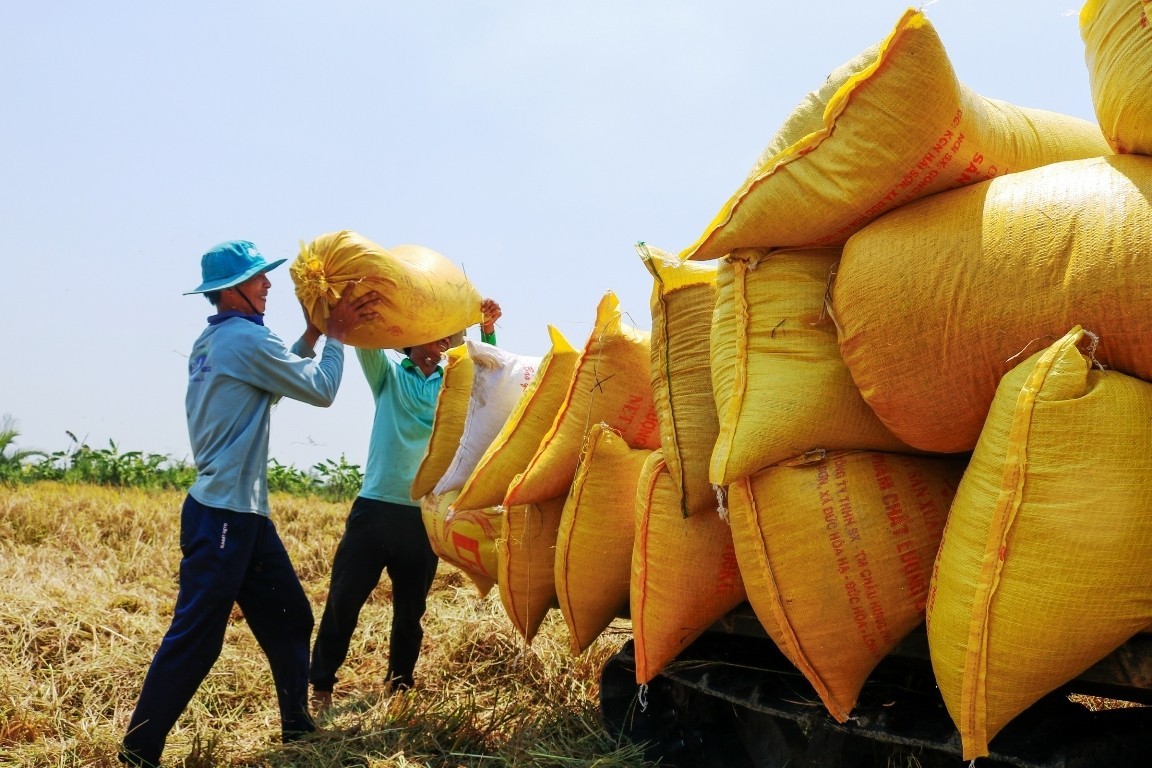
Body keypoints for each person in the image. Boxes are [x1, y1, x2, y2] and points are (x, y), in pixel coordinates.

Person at [119, 240, 383, 768]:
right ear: (229, 291)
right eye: (258, 278)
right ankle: (138, 749)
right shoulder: (243, 339)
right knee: (197, 639)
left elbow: (277, 375)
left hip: (242, 516)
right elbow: (322, 390)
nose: (267, 285)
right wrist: (336, 337)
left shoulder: (219, 339)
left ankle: (295, 725)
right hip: (223, 516)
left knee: (290, 616)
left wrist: (311, 334)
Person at [309, 298, 502, 711]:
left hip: (422, 515)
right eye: (428, 338)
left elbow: (489, 379)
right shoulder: (389, 378)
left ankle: (399, 685)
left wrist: (486, 330)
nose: (438, 344)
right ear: (411, 343)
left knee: (411, 609)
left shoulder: (453, 384)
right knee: (345, 598)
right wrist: (371, 306)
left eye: (444, 338)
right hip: (376, 508)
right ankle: (322, 684)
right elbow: (368, 345)